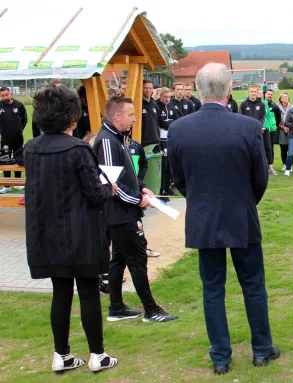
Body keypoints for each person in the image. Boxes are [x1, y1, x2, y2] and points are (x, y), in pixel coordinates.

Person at [168, 63, 279, 375]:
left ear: (200, 91)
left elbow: (180, 180)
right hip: (240, 214)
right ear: (229, 90)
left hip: (206, 216)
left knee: (213, 288)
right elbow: (259, 178)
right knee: (253, 284)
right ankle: (260, 350)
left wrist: (202, 201)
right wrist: (243, 202)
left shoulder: (180, 129)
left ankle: (222, 357)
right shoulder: (246, 127)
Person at [25, 86, 118, 373]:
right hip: (79, 232)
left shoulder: (31, 148)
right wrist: (109, 188)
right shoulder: (77, 149)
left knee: (61, 292)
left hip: (46, 232)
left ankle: (62, 354)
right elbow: (95, 192)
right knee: (88, 292)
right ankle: (97, 355)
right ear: (73, 119)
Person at [93, 95, 178, 323]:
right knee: (138, 259)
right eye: (130, 115)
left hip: (125, 210)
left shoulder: (119, 136)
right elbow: (111, 183)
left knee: (119, 258)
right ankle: (151, 310)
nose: (134, 120)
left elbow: (128, 172)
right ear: (117, 116)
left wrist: (141, 188)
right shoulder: (107, 141)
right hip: (120, 213)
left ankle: (116, 307)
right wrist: (136, 199)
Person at [241, 85, 274, 175]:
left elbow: (263, 117)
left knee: (266, 147)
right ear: (249, 92)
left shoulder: (261, 104)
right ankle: (249, 167)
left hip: (261, 129)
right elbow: (242, 117)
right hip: (248, 131)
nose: (253, 93)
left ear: (257, 93)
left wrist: (258, 126)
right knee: (250, 149)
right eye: (251, 91)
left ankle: (270, 167)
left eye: (255, 92)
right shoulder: (244, 104)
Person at [0, 86, 27, 194]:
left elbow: (24, 119)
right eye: (2, 95)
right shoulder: (0, 105)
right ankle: (6, 185)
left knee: (18, 159)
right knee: (5, 159)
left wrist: (19, 129)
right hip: (5, 138)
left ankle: (18, 182)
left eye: (6, 95)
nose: (4, 97)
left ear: (10, 94)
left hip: (17, 137)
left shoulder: (19, 105)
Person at [156, 88, 179, 197]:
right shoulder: (157, 106)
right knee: (163, 165)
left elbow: (176, 120)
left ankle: (168, 187)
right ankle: (161, 189)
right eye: (165, 97)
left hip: (170, 138)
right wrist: (169, 123)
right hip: (161, 140)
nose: (167, 99)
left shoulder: (171, 107)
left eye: (168, 97)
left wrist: (169, 123)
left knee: (170, 164)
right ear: (160, 97)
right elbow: (161, 123)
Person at [263, 89, 281, 175]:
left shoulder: (275, 106)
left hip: (272, 130)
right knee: (262, 147)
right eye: (268, 94)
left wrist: (274, 126)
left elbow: (278, 119)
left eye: (271, 94)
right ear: (265, 94)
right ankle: (263, 166)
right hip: (263, 130)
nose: (269, 95)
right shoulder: (261, 104)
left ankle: (270, 166)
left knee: (270, 147)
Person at [141, 79, 161, 147]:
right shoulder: (138, 105)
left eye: (150, 88)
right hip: (143, 143)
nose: (148, 90)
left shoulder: (155, 105)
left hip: (156, 142)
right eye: (145, 88)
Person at [276, 93, 293, 169]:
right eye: (284, 97)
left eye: (287, 97)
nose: (286, 98)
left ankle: (290, 165)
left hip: (291, 130)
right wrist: (283, 127)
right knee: (283, 148)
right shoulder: (277, 108)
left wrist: (290, 127)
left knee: (291, 148)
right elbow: (276, 120)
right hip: (281, 130)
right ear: (281, 99)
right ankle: (284, 164)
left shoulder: (292, 107)